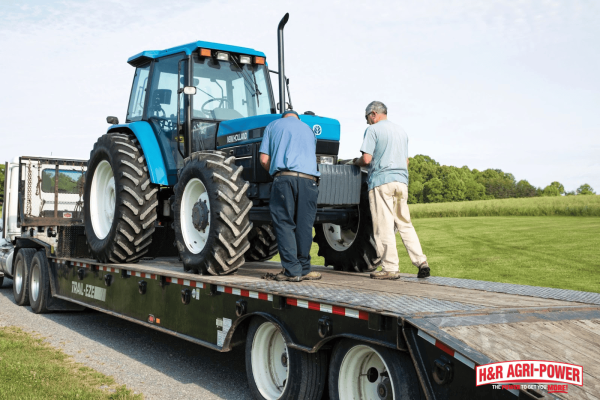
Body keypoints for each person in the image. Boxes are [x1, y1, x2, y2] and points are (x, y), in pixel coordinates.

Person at [354, 101, 430, 280]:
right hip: (402, 182)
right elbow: (406, 162)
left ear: (373, 114)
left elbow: (366, 159)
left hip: (382, 182)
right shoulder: (401, 131)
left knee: (384, 226)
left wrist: (354, 162)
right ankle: (421, 262)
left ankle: (390, 268)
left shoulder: (373, 130)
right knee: (405, 223)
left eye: (368, 118)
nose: (368, 123)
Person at [259, 110, 322, 282]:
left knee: (285, 223)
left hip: (285, 178)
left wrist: (275, 174)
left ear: (284, 117)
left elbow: (264, 159)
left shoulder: (273, 126)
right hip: (310, 181)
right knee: (304, 225)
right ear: (297, 118)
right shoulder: (308, 129)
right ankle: (304, 268)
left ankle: (292, 270)